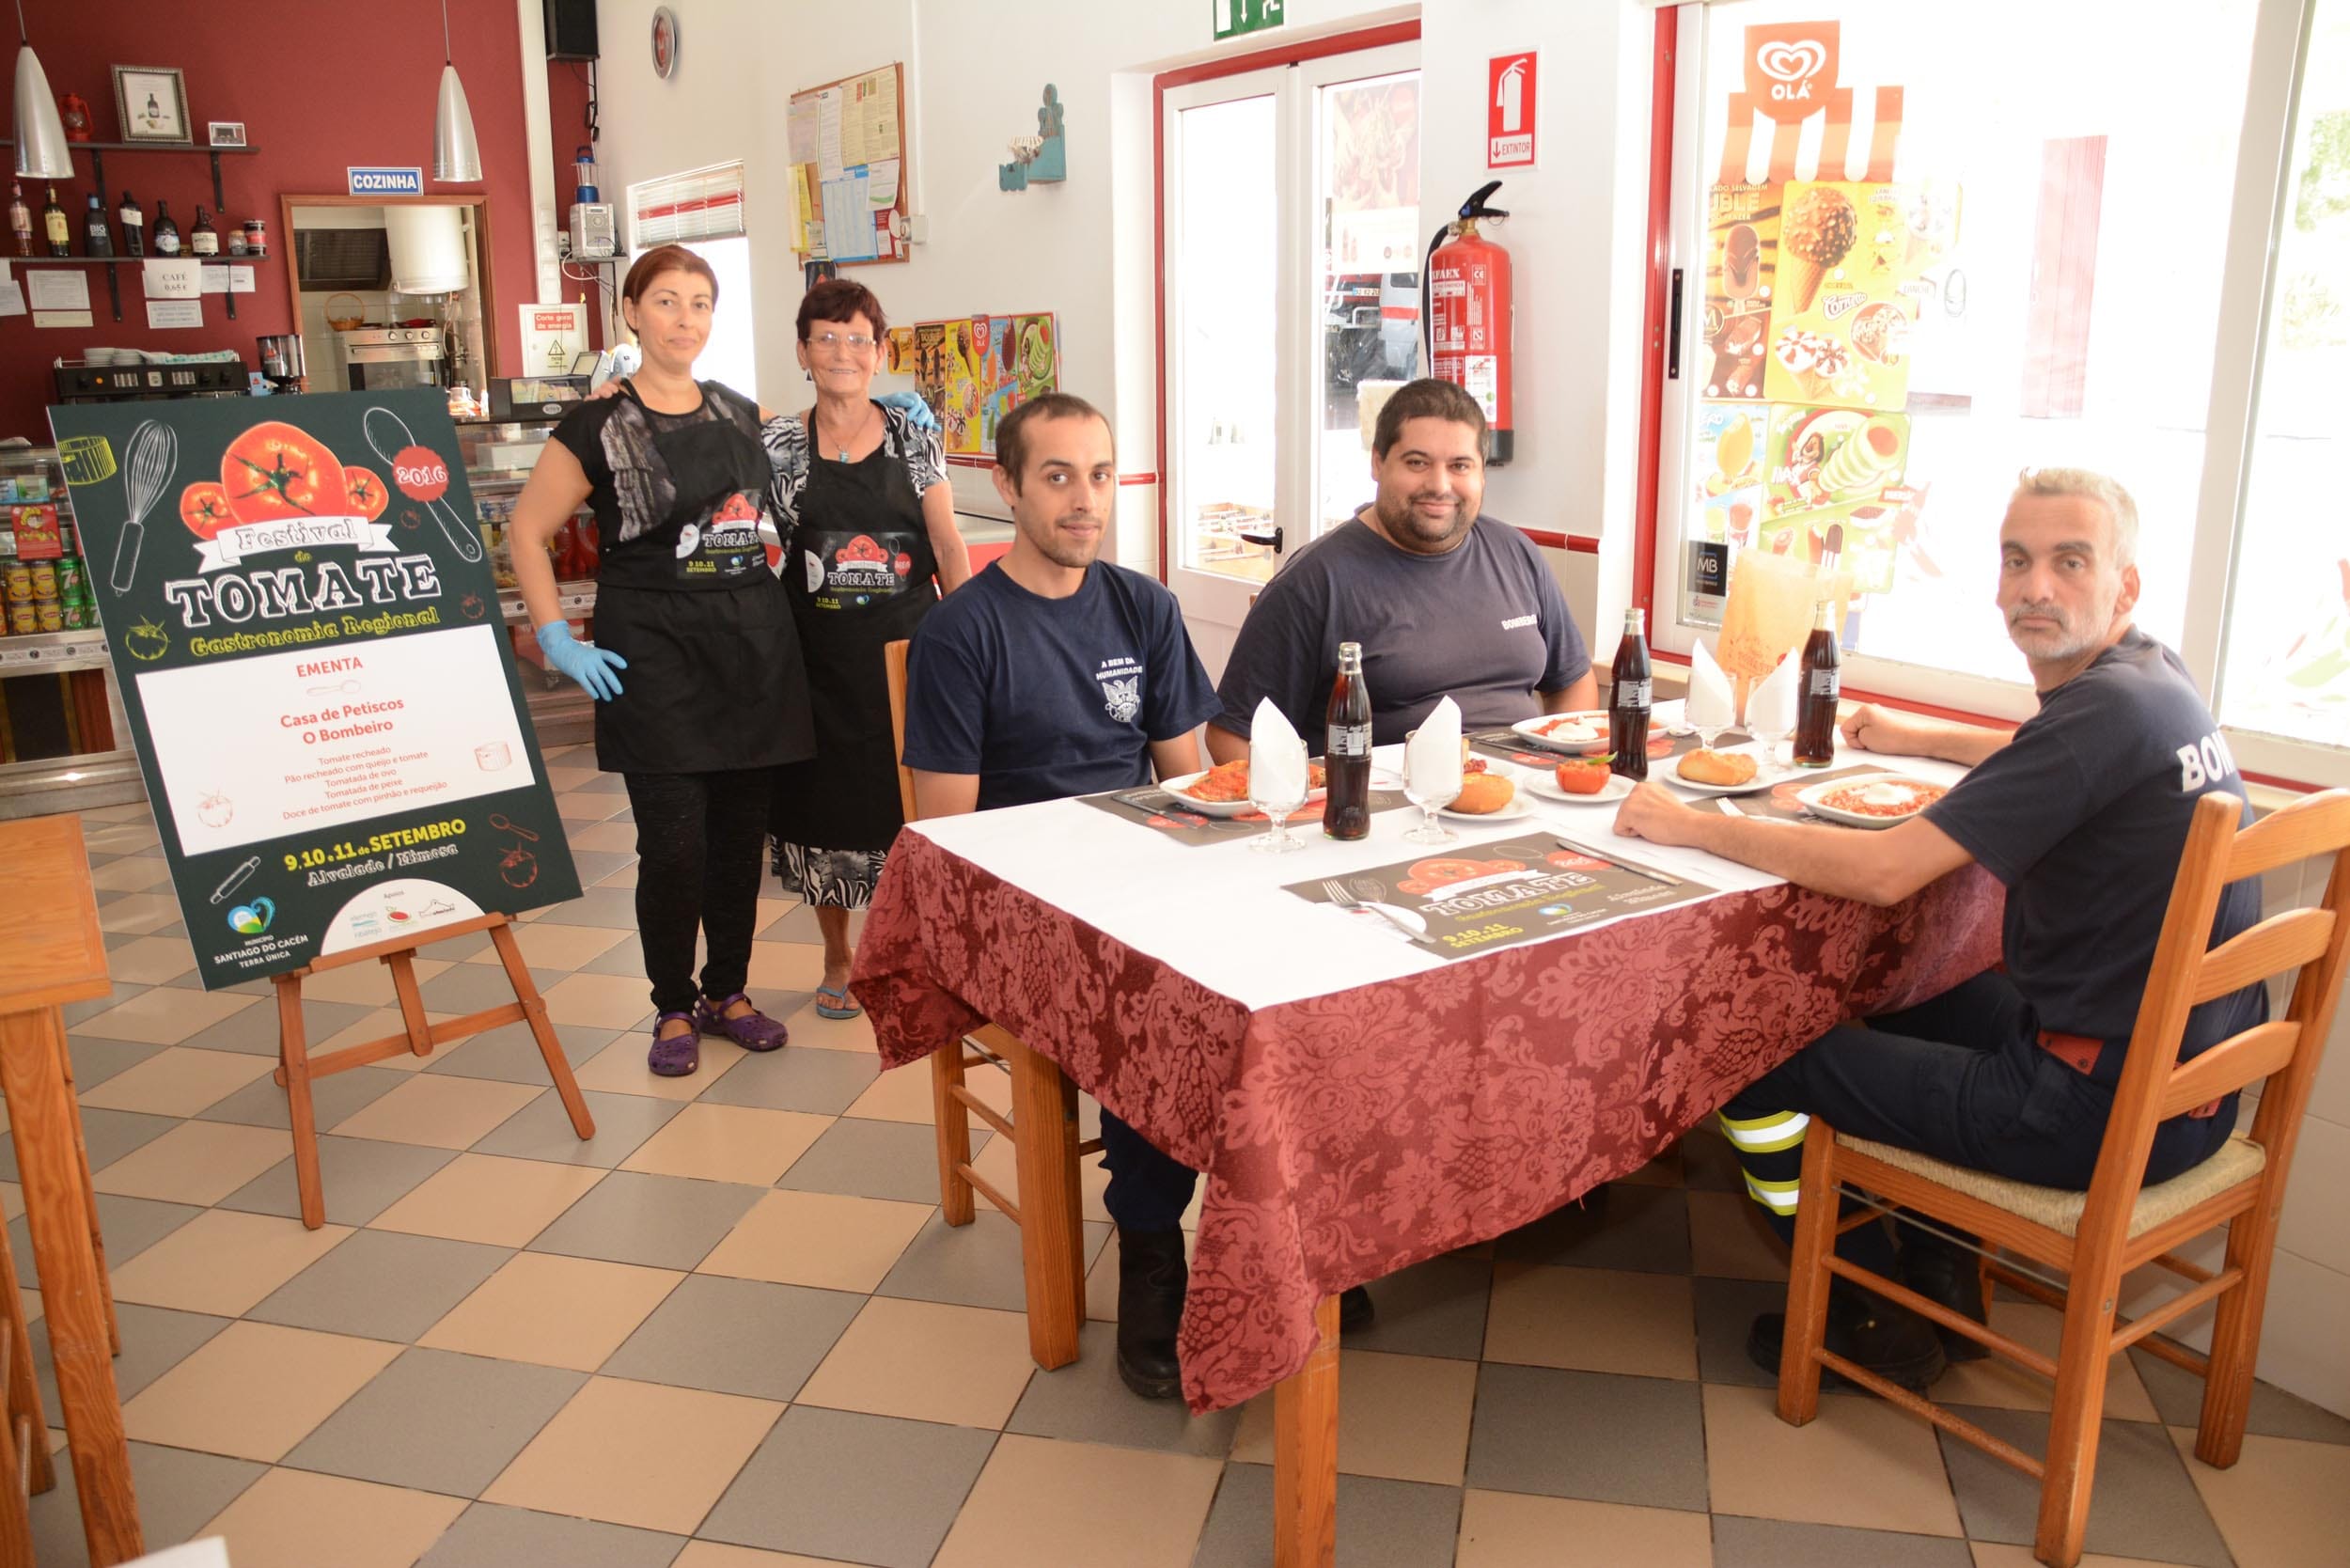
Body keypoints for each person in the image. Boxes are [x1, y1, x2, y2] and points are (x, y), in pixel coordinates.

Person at [1612, 467, 2264, 1389]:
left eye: (2070, 562)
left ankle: (1865, 1307)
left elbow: (1884, 874)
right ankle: (1940, 1279)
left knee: (1739, 1047)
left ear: (2124, 585)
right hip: (2189, 1095)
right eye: (2017, 561)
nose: (2035, 587)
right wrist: (1920, 738)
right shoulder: (2151, 679)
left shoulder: (2102, 712)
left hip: (2093, 1114)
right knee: (1918, 989)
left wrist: (1689, 826)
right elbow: (2047, 758)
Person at [900, 392, 1372, 1398]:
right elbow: (949, 840)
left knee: (1291, 975)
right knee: (1150, 1008)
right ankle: (1154, 1243)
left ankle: (1300, 1223)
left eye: (1101, 475)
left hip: (1143, 870)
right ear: (1007, 486)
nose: (1085, 500)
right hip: (1022, 905)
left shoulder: (1144, 607)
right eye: (1057, 476)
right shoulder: (960, 632)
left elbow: (1185, 780)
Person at [509, 245, 810, 1076]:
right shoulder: (597, 424)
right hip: (654, 658)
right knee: (674, 847)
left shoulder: (742, 412)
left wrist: (896, 416)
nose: (686, 319)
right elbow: (526, 532)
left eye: (701, 303)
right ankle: (672, 1004)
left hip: (751, 655)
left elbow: (807, 466)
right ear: (632, 312)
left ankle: (729, 992)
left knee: (738, 845)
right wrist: (557, 637)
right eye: (668, 301)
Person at [764, 278, 973, 1022]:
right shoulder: (780, 445)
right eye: (826, 337)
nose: (842, 352)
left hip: (908, 659)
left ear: (880, 353)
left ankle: (914, 950)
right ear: (802, 352)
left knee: (910, 807)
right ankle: (838, 954)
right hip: (814, 662)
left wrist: (973, 638)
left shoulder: (914, 433)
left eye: (858, 338)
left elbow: (947, 542)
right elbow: (761, 550)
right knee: (821, 812)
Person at [1206, 377, 1596, 762]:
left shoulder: (1516, 553)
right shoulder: (1313, 582)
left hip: (1521, 790)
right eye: (1417, 463)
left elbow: (1572, 682)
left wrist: (1559, 767)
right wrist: (1310, 793)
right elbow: (1231, 736)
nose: (1439, 485)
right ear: (1377, 462)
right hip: (1382, 799)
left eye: (1460, 465)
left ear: (1481, 473)